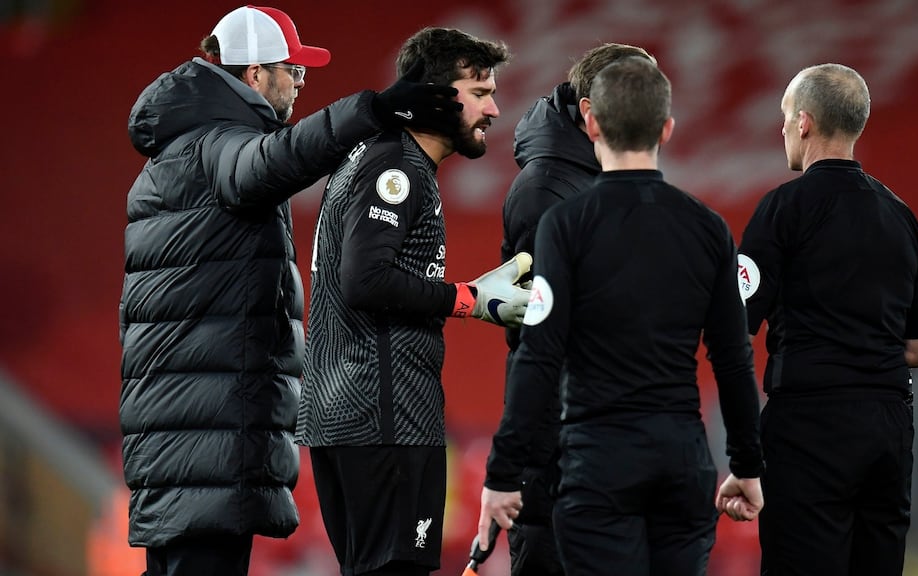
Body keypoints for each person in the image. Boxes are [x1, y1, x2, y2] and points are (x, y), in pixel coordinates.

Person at [119, 6, 463, 576]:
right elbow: (272, 161)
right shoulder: (215, 144)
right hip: (203, 429)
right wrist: (372, 110)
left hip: (193, 424)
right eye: (293, 69)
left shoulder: (188, 146)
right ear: (255, 73)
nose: (301, 81)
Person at [479, 56, 764, 576]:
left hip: (599, 460)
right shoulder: (707, 228)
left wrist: (502, 473)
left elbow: (538, 355)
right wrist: (747, 465)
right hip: (682, 458)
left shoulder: (565, 225)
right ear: (667, 128)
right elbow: (733, 358)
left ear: (592, 123)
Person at [295, 27, 523, 576]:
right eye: (479, 92)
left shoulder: (374, 157)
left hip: (351, 415)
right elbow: (366, 281)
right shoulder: (395, 168)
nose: (493, 109)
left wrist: (468, 293)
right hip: (383, 419)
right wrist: (469, 299)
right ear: (435, 96)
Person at [735, 63, 918, 575]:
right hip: (888, 428)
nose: (782, 128)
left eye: (785, 116)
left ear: (804, 122)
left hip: (809, 425)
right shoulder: (902, 217)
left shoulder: (782, 209)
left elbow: (735, 323)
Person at [498, 42, 657, 576]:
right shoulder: (546, 191)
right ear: (590, 111)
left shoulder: (606, 180)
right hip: (562, 448)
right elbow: (542, 337)